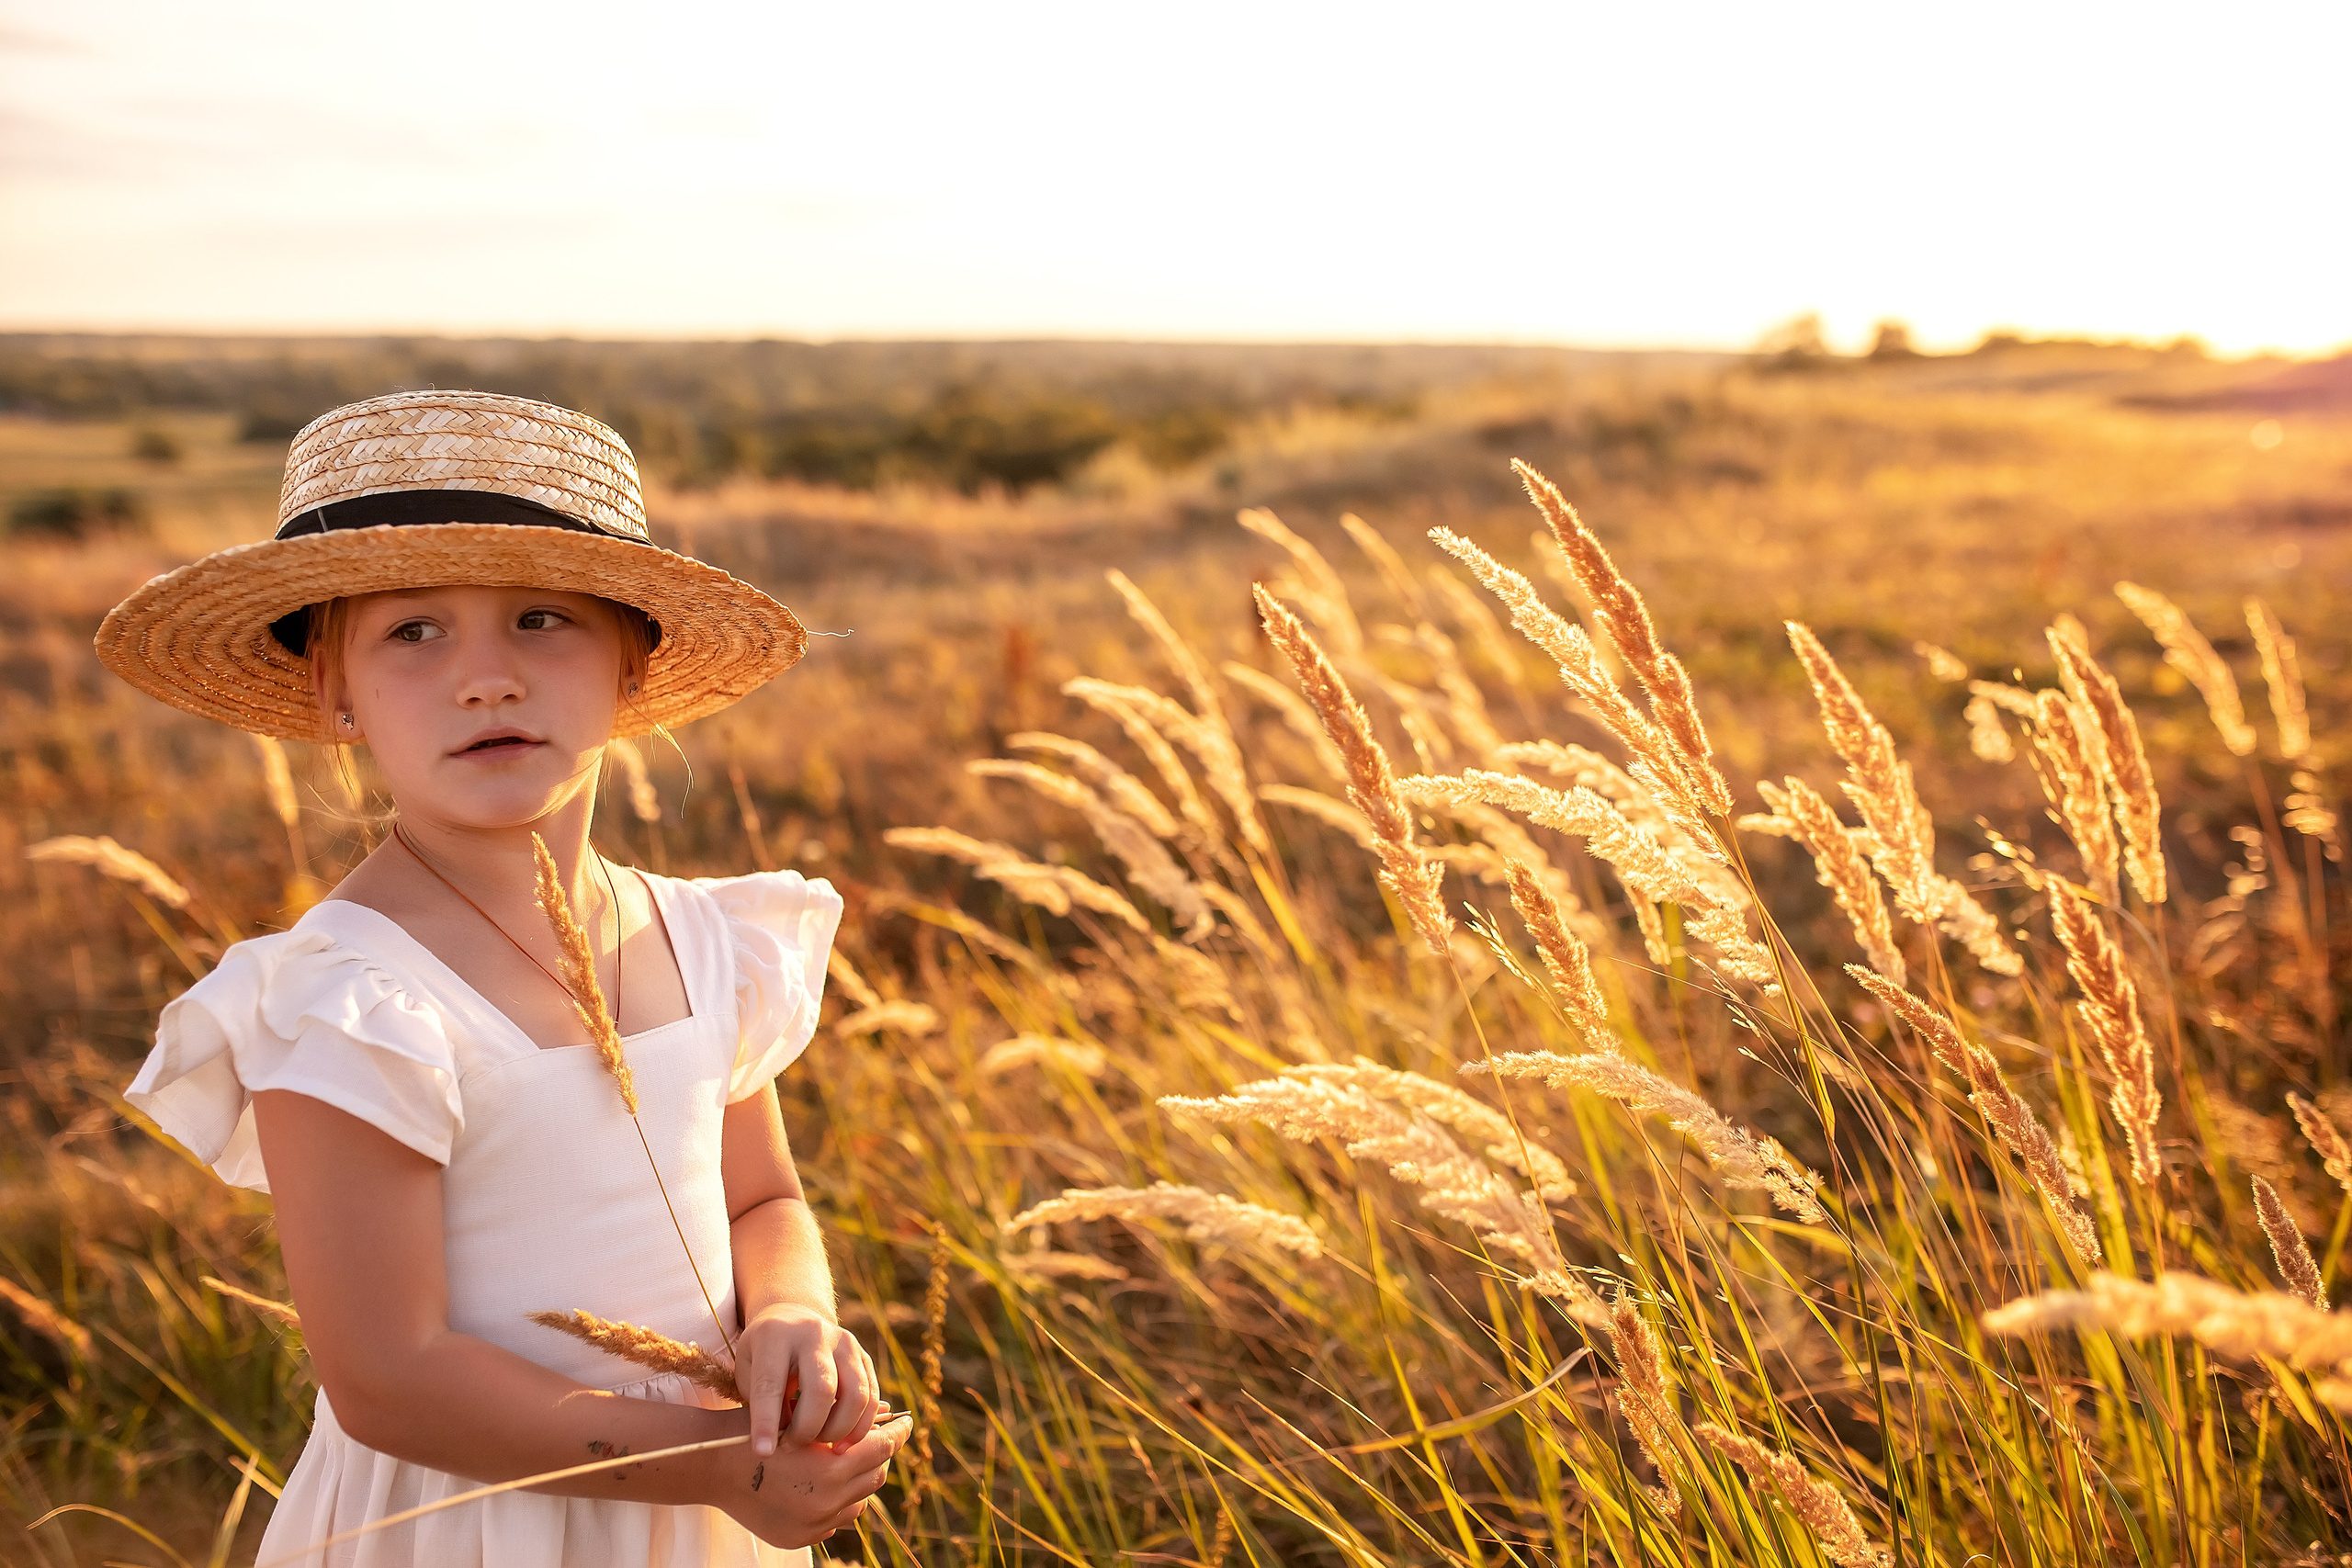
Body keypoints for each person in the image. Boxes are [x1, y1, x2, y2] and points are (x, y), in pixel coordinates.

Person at [97, 390, 910, 1566]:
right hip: (471, 1522)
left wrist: (793, 1314)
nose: (486, 679)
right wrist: (717, 1467)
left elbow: (759, 1202)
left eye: (541, 619)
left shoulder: (701, 937)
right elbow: (390, 1376)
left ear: (634, 662)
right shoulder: (350, 996)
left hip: (707, 1511)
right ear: (333, 688)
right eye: (412, 633)